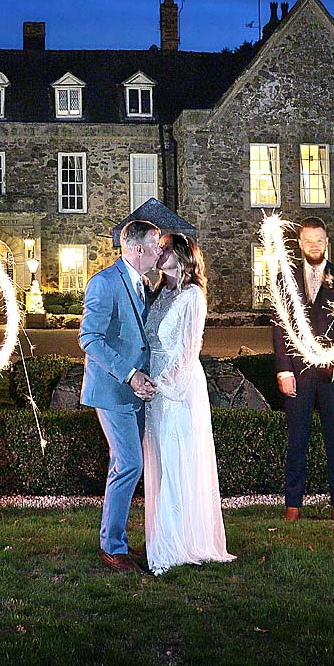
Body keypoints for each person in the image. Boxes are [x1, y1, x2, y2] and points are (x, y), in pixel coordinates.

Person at [142, 234, 235, 575]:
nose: (159, 251)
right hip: (153, 387)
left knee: (178, 457)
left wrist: (161, 385)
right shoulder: (160, 293)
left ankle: (179, 542)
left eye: (165, 247)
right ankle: (163, 534)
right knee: (160, 461)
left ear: (182, 256)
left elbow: (187, 352)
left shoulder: (193, 296)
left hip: (176, 390)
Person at [79, 220, 162, 573]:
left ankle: (125, 542)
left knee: (132, 464)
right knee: (128, 464)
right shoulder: (104, 283)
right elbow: (89, 338)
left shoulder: (146, 283)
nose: (160, 252)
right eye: (156, 245)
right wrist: (129, 375)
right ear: (138, 248)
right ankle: (112, 547)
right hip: (113, 391)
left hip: (139, 393)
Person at [272, 216, 334, 523]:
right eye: (309, 241)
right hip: (298, 372)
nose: (314, 245)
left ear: (327, 242)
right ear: (300, 243)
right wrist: (283, 371)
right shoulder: (285, 278)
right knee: (296, 440)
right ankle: (293, 504)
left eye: (319, 240)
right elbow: (279, 326)